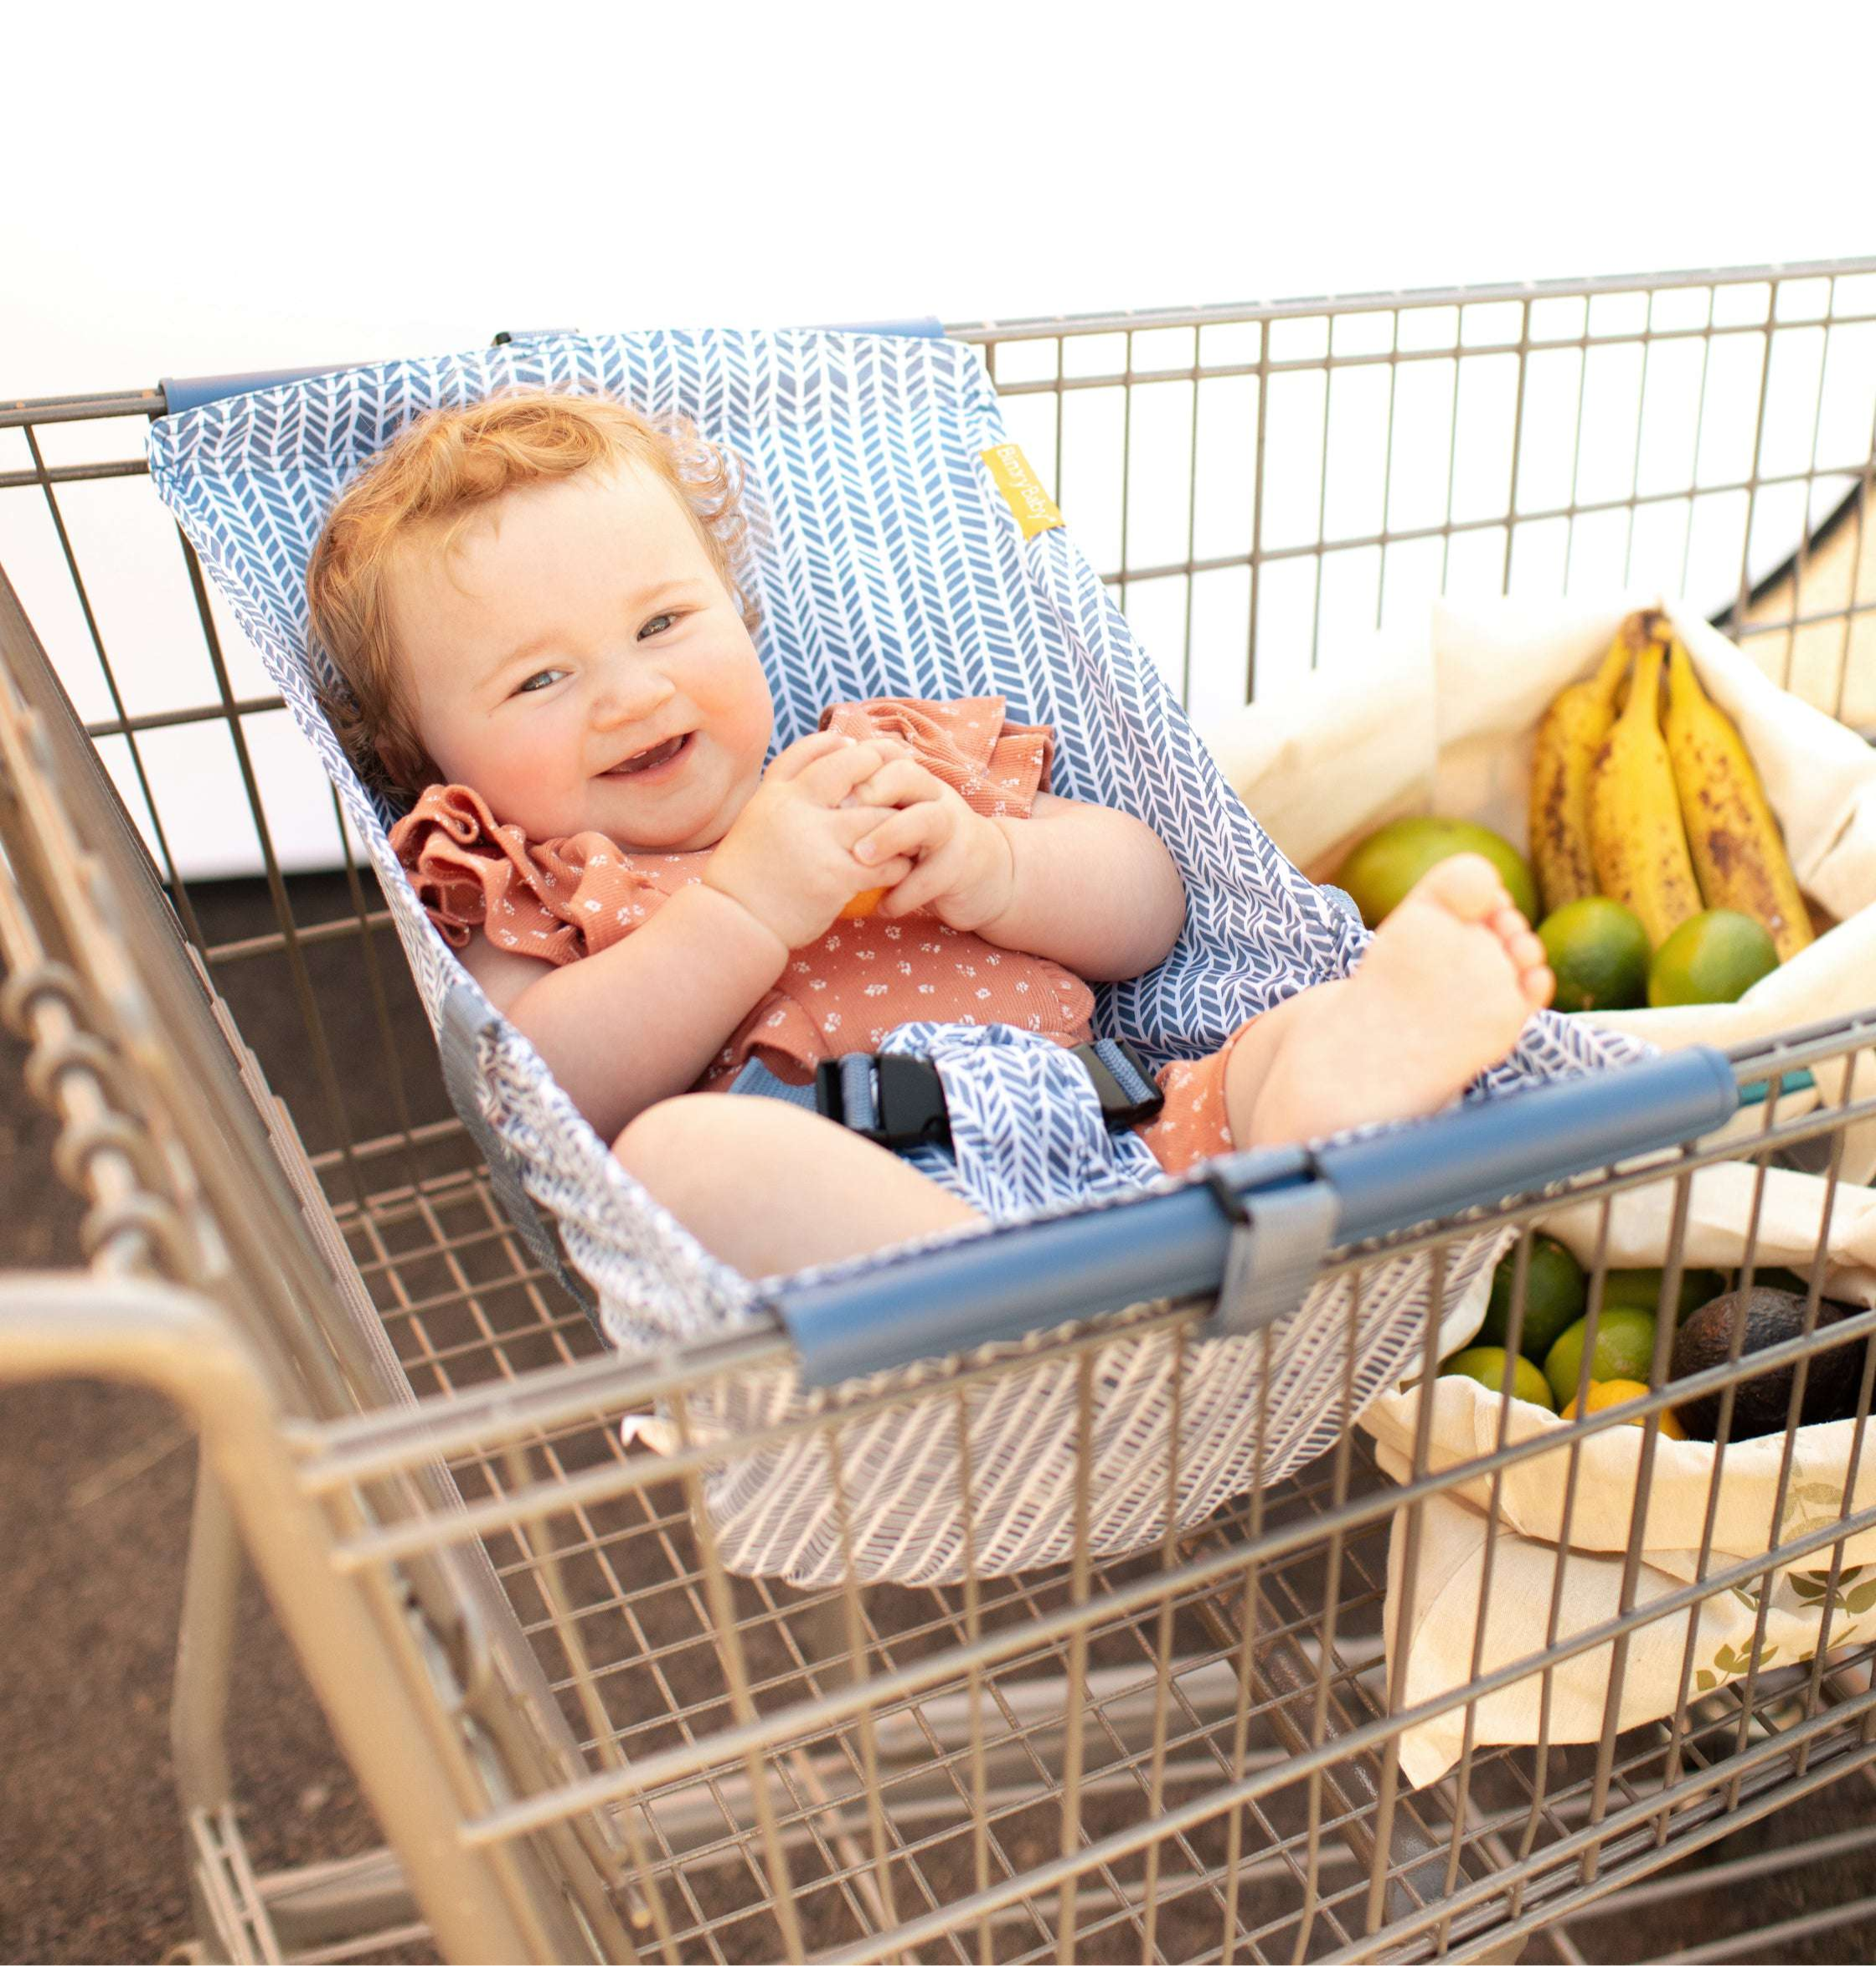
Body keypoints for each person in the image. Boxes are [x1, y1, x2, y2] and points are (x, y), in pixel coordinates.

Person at [307, 391, 1554, 1280]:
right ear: (433, 768)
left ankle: (1344, 1075)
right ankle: (1023, 1299)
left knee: (1273, 1044)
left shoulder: (885, 762)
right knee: (679, 1157)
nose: (632, 696)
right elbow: (543, 1095)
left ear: (739, 618)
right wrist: (740, 912)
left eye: (663, 624)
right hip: (866, 1205)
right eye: (539, 682)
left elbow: (1149, 908)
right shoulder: (526, 878)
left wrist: (991, 864)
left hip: (1124, 1132)